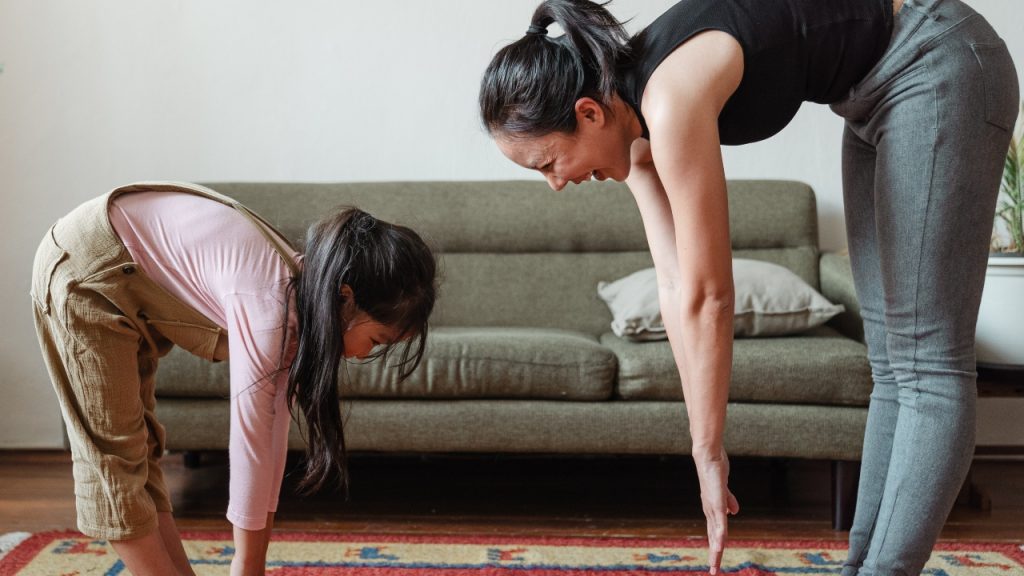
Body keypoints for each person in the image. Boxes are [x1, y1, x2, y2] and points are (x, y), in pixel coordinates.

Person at [479, 0, 1018, 573]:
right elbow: (676, 284)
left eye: (547, 163)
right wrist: (699, 440)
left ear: (588, 114)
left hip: (935, 60)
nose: (556, 184)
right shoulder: (635, 135)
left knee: (926, 365)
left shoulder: (670, 98)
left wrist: (710, 451)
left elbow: (712, 295)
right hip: (868, 96)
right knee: (892, 365)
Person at [31, 181, 437, 575]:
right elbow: (251, 440)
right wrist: (246, 564)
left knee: (141, 449)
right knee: (113, 460)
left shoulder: (304, 299)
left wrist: (251, 563)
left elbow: (272, 435)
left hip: (121, 270)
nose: (367, 354)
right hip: (85, 269)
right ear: (346, 297)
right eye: (377, 340)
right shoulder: (269, 308)